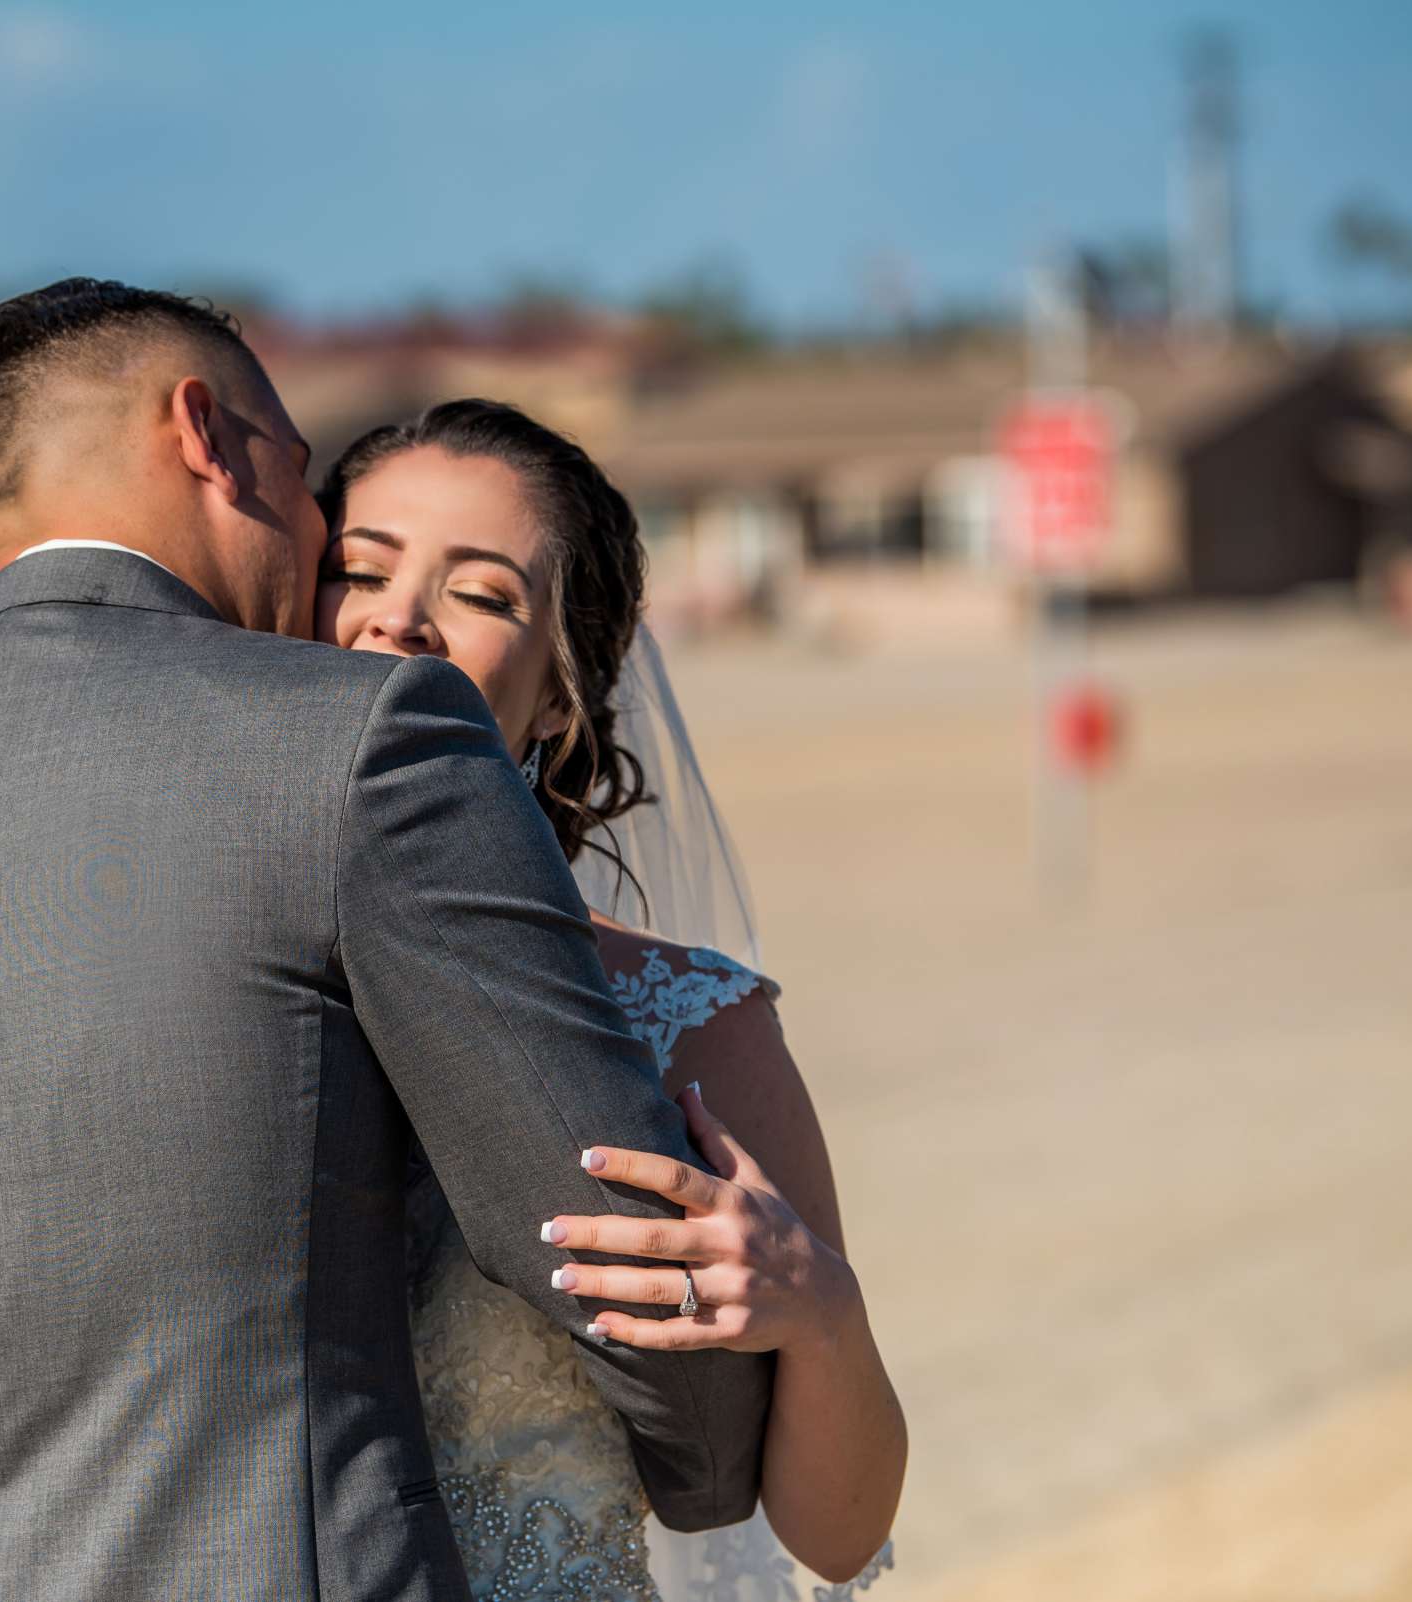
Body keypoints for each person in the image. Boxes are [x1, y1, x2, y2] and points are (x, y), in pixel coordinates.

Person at [0, 281, 773, 1601]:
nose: (317, 534)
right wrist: (716, 1458)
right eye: (307, 476)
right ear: (204, 433)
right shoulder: (366, 741)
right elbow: (599, 1218)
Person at [316, 400, 906, 1600]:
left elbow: (837, 1540)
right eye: (358, 568)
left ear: (556, 701)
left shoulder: (691, 1019)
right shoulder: (175, 959)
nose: (397, 617)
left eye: (481, 595)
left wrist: (819, 1311)